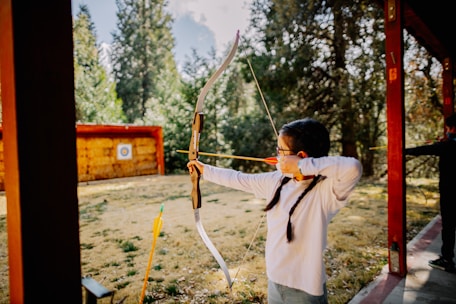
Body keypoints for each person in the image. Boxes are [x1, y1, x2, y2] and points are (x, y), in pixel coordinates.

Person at [187, 118, 363, 304]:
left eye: (281, 151)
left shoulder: (326, 191)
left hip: (305, 289)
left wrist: (301, 166)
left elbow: (353, 167)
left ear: (301, 156)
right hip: (275, 280)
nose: (277, 155)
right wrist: (204, 170)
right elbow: (239, 179)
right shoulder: (277, 180)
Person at [405, 113, 456, 273]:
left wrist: (402, 150)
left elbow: (424, 150)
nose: (447, 131)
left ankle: (447, 259)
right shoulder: (448, 145)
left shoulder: (448, 146)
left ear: (453, 128)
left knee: (448, 226)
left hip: (450, 193)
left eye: (448, 128)